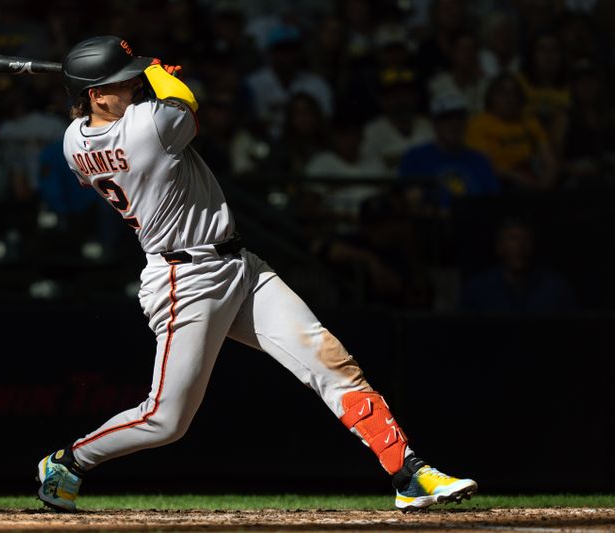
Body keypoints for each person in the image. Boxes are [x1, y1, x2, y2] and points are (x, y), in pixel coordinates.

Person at [34, 35, 477, 513]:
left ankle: (409, 473)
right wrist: (160, 73)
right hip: (185, 280)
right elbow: (183, 100)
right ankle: (69, 461)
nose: (137, 82)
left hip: (239, 266)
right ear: (97, 94)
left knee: (329, 361)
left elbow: (116, 117)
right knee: (166, 420)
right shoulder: (147, 128)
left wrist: (125, 80)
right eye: (125, 80)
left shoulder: (72, 141)